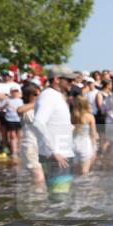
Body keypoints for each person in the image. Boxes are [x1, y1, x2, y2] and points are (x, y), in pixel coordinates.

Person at [34, 65, 77, 194]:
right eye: (69, 80)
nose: (72, 83)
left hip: (61, 154)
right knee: (59, 197)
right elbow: (38, 123)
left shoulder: (55, 96)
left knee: (61, 196)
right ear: (57, 79)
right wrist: (53, 151)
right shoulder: (49, 96)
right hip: (57, 156)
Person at [70, 94, 98, 174]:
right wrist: (94, 148)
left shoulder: (72, 115)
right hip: (85, 144)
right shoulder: (90, 116)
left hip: (74, 144)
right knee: (85, 172)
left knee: (76, 172)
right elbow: (93, 134)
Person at [0, 83, 23, 158]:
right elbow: (1, 108)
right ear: (11, 92)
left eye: (16, 91)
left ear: (19, 92)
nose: (15, 93)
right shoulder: (7, 100)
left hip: (19, 119)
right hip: (10, 120)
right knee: (12, 136)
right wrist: (5, 107)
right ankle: (14, 152)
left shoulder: (21, 100)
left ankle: (20, 151)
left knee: (20, 136)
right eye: (13, 91)